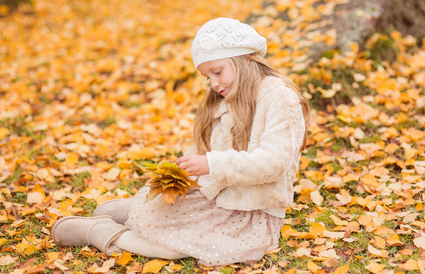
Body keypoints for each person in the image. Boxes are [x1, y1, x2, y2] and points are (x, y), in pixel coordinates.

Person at [51, 17, 310, 266]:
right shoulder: (231, 97)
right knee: (166, 219)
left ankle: (102, 232)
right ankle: (137, 210)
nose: (213, 83)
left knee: (175, 246)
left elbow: (273, 162)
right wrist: (189, 169)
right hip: (219, 198)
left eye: (217, 72)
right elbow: (211, 148)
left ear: (244, 57)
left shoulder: (279, 98)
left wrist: (211, 164)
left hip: (253, 213)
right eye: (208, 77)